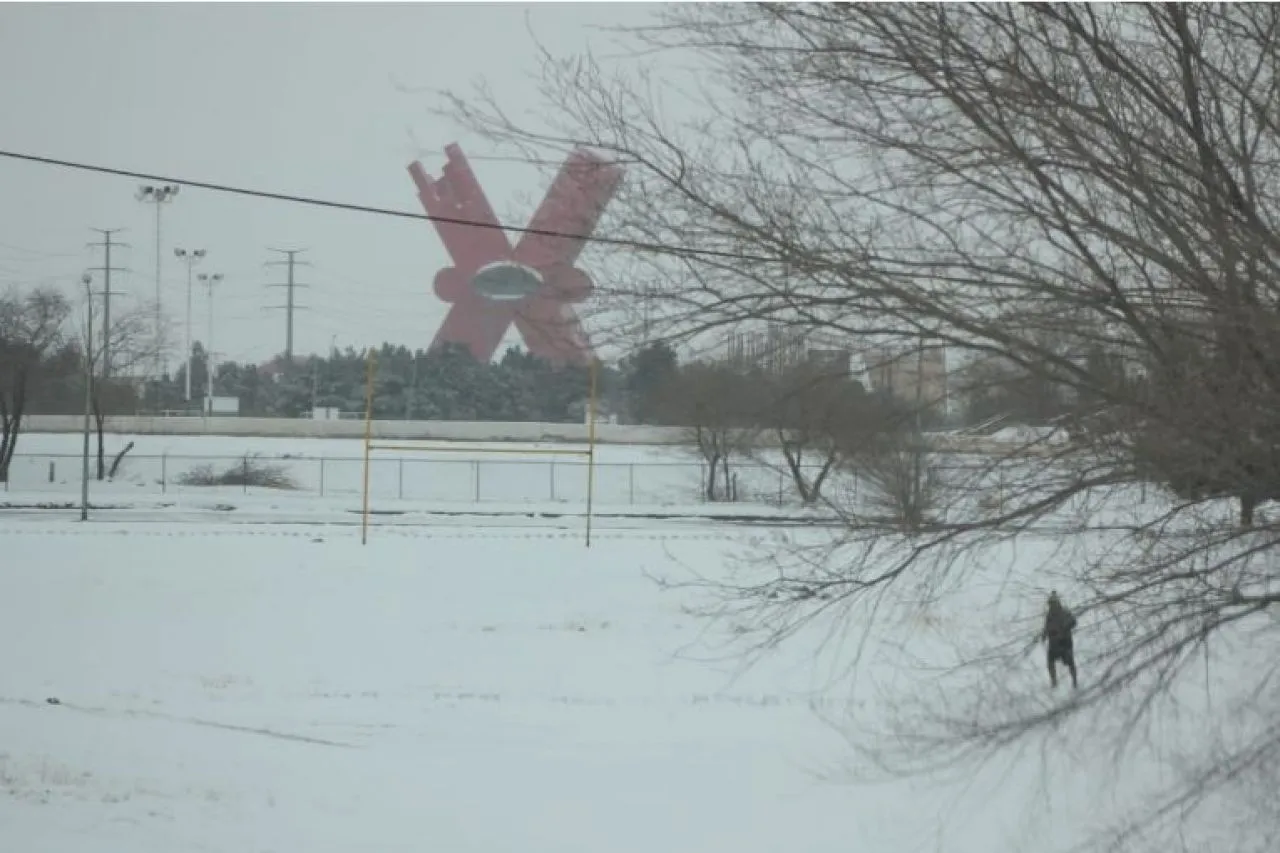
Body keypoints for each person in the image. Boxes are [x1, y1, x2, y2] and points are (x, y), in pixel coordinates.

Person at [1041, 591, 1078, 689]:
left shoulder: (1064, 612)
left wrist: (1065, 627)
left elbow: (1073, 621)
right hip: (1053, 643)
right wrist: (1044, 635)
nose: (1051, 605)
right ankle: (1054, 681)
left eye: (1053, 603)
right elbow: (1047, 626)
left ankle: (1074, 681)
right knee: (1050, 662)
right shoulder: (1049, 615)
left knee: (1070, 662)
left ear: (1057, 603)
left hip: (1065, 642)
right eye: (1050, 604)